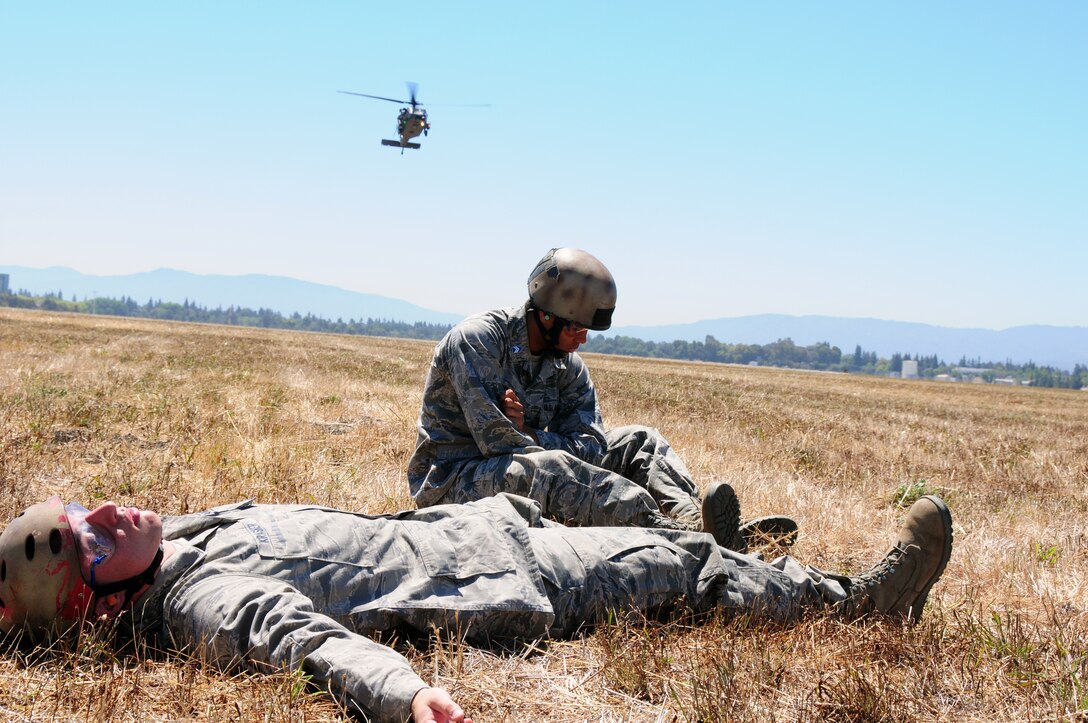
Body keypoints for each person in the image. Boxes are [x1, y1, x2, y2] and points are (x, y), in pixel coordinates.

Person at [1, 492, 953, 723]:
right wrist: (403, 692)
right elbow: (297, 636)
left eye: (83, 509)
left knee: (670, 547)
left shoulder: (180, 545)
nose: (105, 516)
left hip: (477, 531)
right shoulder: (200, 598)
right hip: (499, 579)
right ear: (97, 598)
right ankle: (860, 606)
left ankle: (763, 568)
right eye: (87, 539)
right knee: (684, 570)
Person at [408, 246, 796, 551]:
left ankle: (694, 521)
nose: (583, 339)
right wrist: (537, 442)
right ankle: (679, 538)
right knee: (550, 467)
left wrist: (533, 435)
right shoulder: (477, 341)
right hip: (453, 482)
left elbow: (592, 445)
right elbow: (498, 443)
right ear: (548, 315)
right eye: (577, 327)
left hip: (521, 463)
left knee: (638, 441)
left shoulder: (568, 367)